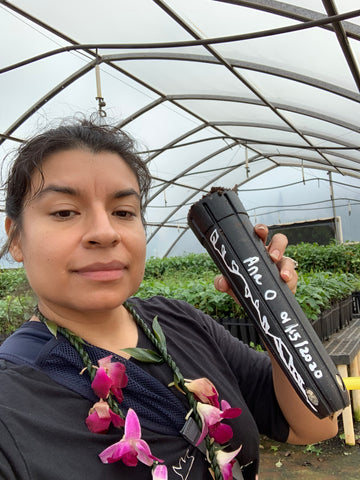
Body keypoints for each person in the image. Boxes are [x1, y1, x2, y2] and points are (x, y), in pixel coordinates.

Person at [0, 120, 337, 480]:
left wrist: (274, 312)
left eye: (123, 212)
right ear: (16, 238)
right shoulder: (12, 401)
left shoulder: (178, 320)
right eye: (65, 211)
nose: (104, 232)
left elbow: (315, 427)